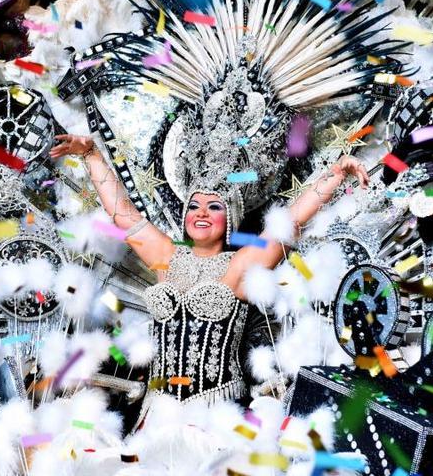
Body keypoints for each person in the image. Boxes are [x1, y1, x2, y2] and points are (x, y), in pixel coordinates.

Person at [49, 134, 369, 405]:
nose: (201, 213)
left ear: (228, 219)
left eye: (214, 207)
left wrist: (336, 173)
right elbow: (123, 215)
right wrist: (91, 154)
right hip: (158, 410)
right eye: (194, 206)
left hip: (216, 412)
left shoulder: (240, 265)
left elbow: (289, 222)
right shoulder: (167, 256)